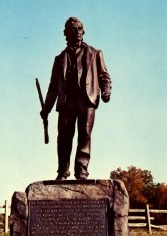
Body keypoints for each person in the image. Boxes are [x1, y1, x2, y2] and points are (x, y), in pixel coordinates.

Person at [41, 17, 112, 180]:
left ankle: (81, 170)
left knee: (85, 134)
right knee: (64, 137)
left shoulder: (95, 53)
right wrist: (46, 109)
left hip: (87, 100)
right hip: (67, 102)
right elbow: (53, 87)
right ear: (65, 33)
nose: (78, 32)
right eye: (74, 29)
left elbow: (104, 76)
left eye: (80, 29)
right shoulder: (59, 59)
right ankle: (62, 172)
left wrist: (106, 90)